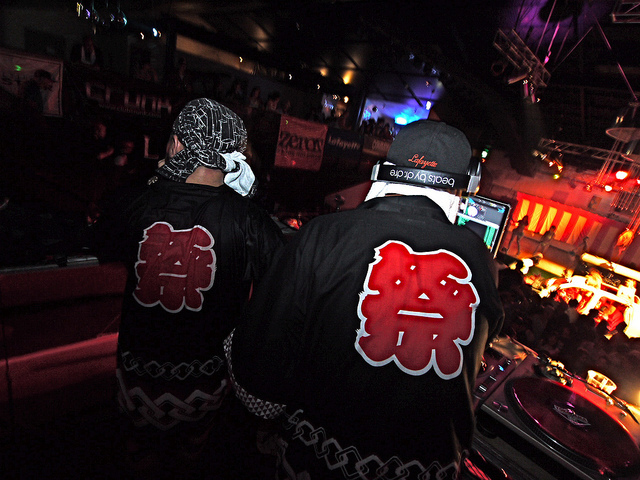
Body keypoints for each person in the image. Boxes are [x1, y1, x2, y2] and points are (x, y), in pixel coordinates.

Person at [226, 119, 504, 479]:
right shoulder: (482, 260)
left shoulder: (322, 234)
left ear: (382, 169)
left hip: (320, 460)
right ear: (468, 184)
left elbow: (264, 354)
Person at [114, 98, 285, 475]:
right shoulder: (249, 219)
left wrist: (157, 179)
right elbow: (282, 279)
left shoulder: (135, 201)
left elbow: (107, 240)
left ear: (176, 143)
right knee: (190, 458)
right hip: (204, 380)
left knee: (138, 457)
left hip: (136, 375)